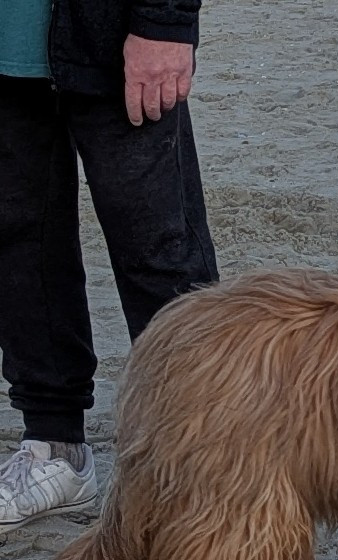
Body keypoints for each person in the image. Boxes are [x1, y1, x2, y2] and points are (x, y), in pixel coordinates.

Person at [0, 0, 219, 533]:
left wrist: (164, 23)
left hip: (111, 31)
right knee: (16, 238)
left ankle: (206, 459)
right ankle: (55, 449)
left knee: (159, 252)